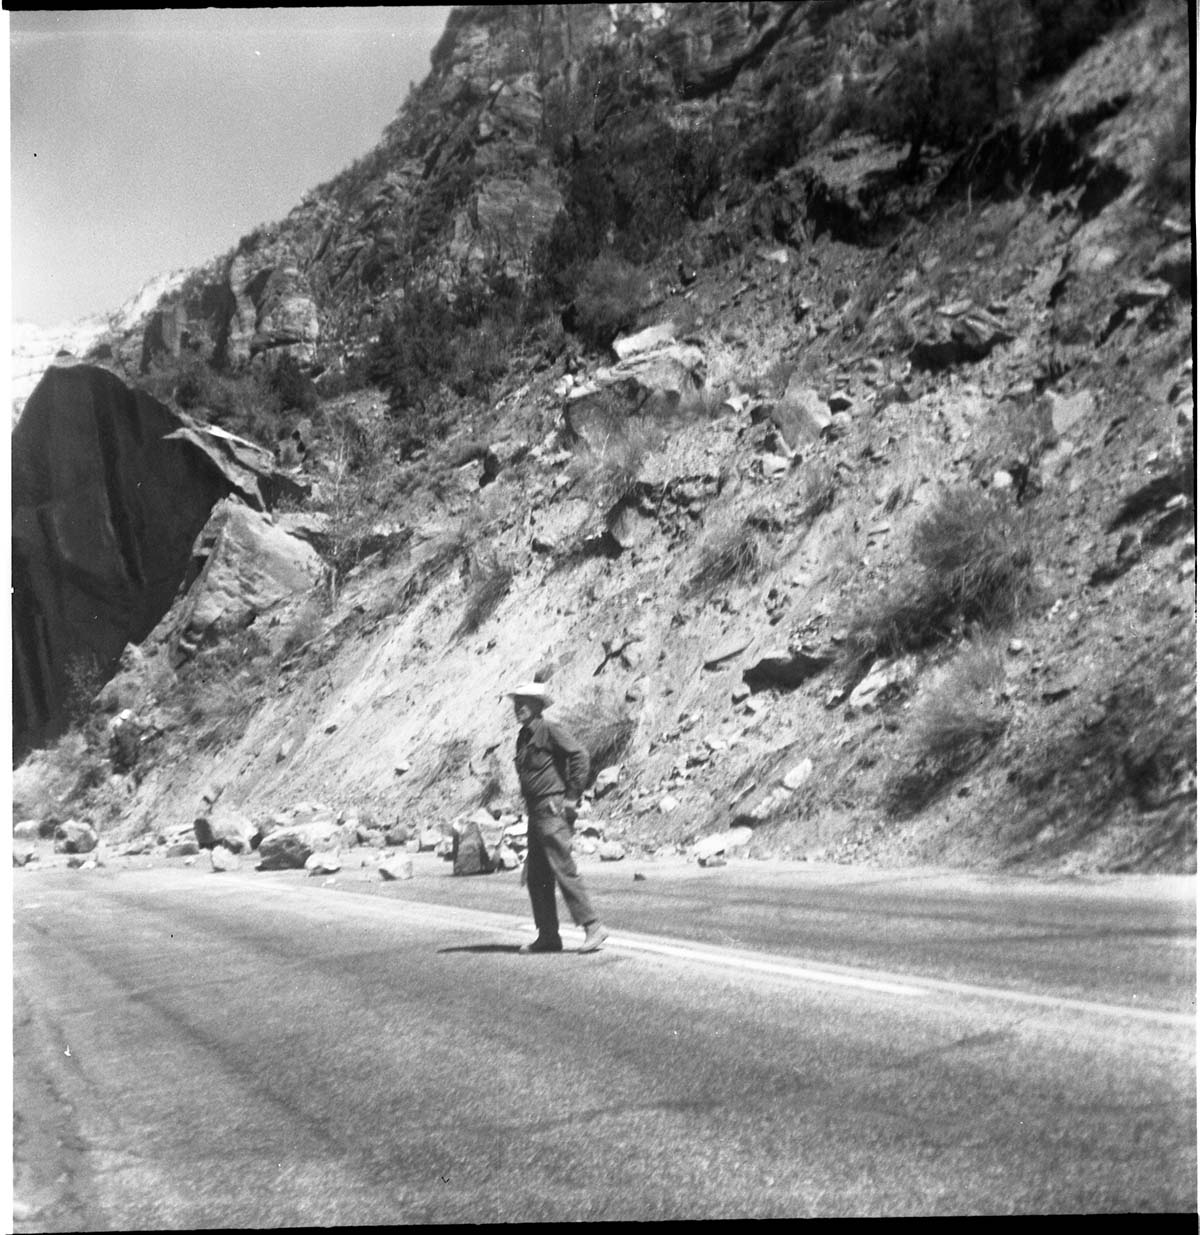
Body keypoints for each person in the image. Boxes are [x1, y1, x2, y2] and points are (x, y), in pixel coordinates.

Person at [507, 682, 608, 954]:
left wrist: (572, 796)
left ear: (538, 705)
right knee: (537, 875)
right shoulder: (523, 736)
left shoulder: (549, 730)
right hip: (535, 811)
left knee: (562, 868)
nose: (519, 707)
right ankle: (548, 935)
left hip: (552, 807)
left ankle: (593, 926)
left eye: (525, 702)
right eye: (517, 703)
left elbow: (579, 755)